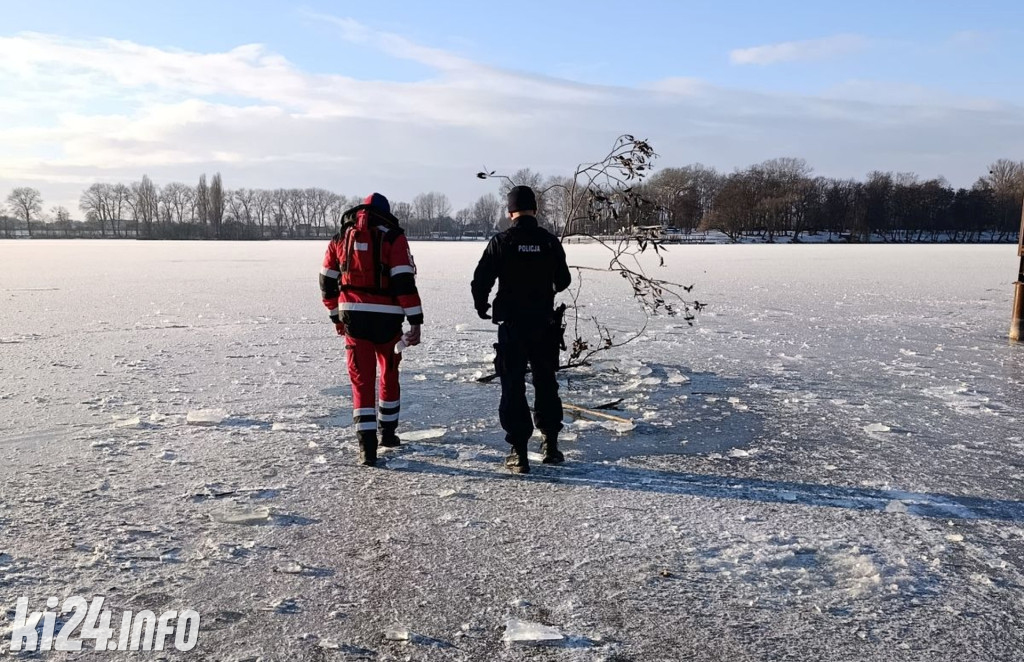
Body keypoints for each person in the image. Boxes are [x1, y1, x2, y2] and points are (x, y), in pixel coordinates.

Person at [471, 185, 572, 474]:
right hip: (543, 324)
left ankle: (519, 452)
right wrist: (544, 289)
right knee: (545, 382)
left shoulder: (502, 241)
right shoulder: (550, 242)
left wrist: (481, 305)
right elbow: (563, 279)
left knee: (512, 385)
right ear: (535, 211)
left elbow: (481, 279)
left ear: (509, 212)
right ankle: (551, 445)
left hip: (513, 325)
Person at [320, 193, 423, 466]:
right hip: (388, 320)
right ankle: (388, 433)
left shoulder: (340, 238)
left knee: (361, 381)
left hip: (353, 317)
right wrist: (415, 319)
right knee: (388, 372)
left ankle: (367, 448)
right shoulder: (394, 238)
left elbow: (326, 281)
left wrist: (336, 317)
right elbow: (403, 281)